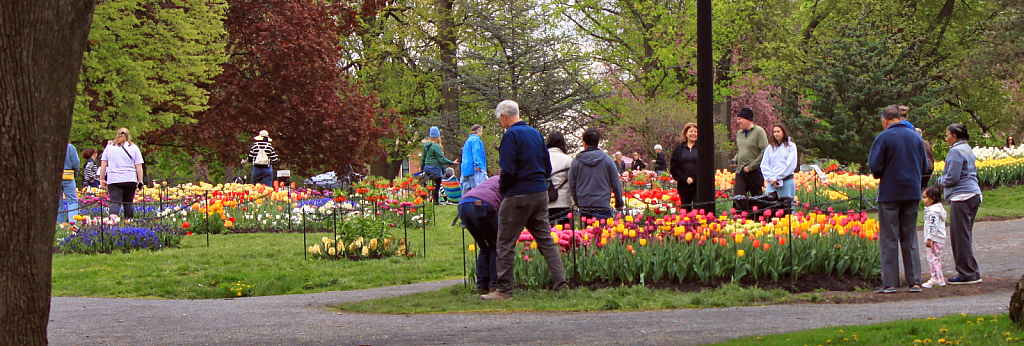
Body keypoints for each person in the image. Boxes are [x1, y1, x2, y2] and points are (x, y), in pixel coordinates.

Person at [483, 100, 566, 300]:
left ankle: (503, 290)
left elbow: (508, 170)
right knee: (545, 240)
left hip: (518, 194)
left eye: (500, 120)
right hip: (539, 193)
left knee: (505, 242)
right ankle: (561, 283)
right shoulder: (536, 134)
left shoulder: (511, 135)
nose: (501, 124)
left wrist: (504, 191)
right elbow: (547, 166)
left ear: (504, 116)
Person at [868, 105, 927, 293]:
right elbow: (925, 166)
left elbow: (875, 167)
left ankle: (891, 283)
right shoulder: (915, 137)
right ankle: (915, 281)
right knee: (909, 237)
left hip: (890, 193)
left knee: (889, 237)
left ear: (884, 120)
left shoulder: (883, 137)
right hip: (912, 192)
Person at [937, 123, 983, 285]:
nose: (946, 138)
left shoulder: (956, 151)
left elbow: (952, 177)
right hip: (973, 194)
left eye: (947, 135)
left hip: (961, 196)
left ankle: (966, 274)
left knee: (959, 237)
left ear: (954, 136)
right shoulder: (967, 149)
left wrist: (939, 181)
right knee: (965, 234)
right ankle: (972, 271)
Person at [458, 176, 502, 295]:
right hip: (483, 205)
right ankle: (494, 285)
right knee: (494, 246)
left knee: (484, 247)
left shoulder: (493, 180)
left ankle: (482, 285)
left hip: (463, 205)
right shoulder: (510, 181)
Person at [568, 128, 624, 221]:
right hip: (602, 203)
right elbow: (615, 182)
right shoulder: (607, 159)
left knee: (587, 234)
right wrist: (619, 202)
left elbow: (572, 183)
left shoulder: (577, 161)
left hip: (584, 203)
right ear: (598, 142)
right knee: (602, 233)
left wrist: (577, 201)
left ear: (584, 142)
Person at [99, 128, 145, 221]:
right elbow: (139, 166)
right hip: (130, 178)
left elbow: (103, 164)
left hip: (114, 179)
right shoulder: (133, 147)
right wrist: (140, 180)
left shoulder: (109, 147)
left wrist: (102, 178)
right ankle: (129, 224)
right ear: (129, 136)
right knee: (128, 203)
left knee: (115, 202)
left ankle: (112, 223)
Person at [732, 107, 769, 211]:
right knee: (738, 197)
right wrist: (735, 160)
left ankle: (757, 219)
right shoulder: (739, 133)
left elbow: (764, 151)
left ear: (747, 119)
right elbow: (740, 150)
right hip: (741, 171)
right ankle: (741, 218)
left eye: (740, 118)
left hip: (754, 172)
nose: (737, 121)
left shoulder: (759, 132)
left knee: (757, 198)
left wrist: (751, 166)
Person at [421, 126, 458, 205]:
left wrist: (422, 168)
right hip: (435, 168)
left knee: (426, 186)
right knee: (436, 186)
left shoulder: (426, 145)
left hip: (427, 167)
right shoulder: (436, 146)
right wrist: (452, 162)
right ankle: (436, 202)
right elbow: (441, 159)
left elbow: (423, 158)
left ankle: (421, 200)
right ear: (438, 136)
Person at [761, 124, 798, 201]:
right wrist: (771, 178)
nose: (776, 134)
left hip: (786, 181)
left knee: (786, 207)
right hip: (771, 182)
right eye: (774, 132)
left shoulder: (791, 146)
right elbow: (764, 164)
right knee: (769, 207)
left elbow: (790, 165)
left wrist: (777, 177)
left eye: (778, 131)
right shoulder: (770, 147)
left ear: (783, 132)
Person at [921, 185, 948, 289]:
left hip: (934, 239)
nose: (923, 200)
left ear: (932, 199)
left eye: (925, 197)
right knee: (936, 258)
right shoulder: (938, 210)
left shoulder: (933, 212)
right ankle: (939, 277)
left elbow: (933, 226)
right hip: (938, 238)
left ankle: (935, 278)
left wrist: (929, 238)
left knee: (932, 259)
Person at [546, 131, 573, 225]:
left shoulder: (541, 158)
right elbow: (572, 182)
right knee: (563, 234)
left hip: (544, 201)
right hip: (563, 202)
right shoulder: (567, 159)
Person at [670, 123, 698, 210]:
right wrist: (685, 178)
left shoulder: (702, 148)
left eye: (695, 131)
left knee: (699, 210)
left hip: (698, 185)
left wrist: (694, 178)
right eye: (691, 131)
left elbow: (705, 167)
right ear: (686, 133)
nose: (693, 133)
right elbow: (674, 167)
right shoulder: (679, 149)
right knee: (686, 210)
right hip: (684, 184)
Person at [461, 124, 488, 193]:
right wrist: (477, 164)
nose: (482, 133)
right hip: (474, 168)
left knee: (466, 188)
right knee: (477, 189)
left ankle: (464, 202)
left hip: (466, 168)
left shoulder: (468, 140)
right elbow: (476, 152)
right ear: (477, 131)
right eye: (481, 131)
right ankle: (477, 203)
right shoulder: (475, 140)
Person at [58, 142, 80, 223]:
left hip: (53, 177)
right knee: (72, 201)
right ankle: (73, 224)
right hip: (68, 176)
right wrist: (76, 172)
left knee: (57, 203)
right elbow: (76, 162)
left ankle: (60, 225)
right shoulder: (70, 147)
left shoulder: (50, 146)